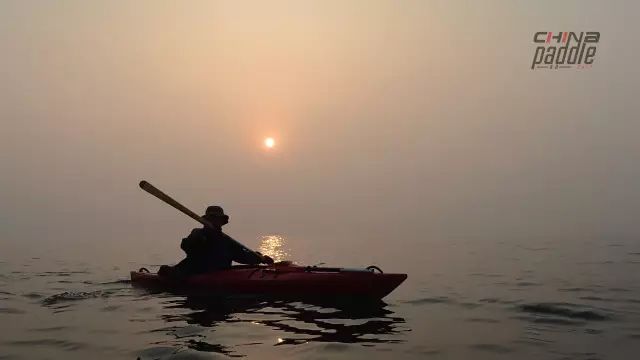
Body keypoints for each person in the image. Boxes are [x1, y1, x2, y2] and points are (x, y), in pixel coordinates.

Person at [159, 206, 273, 278]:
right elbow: (186, 247)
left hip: (219, 274)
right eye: (212, 218)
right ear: (206, 220)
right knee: (170, 272)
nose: (215, 221)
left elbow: (243, 256)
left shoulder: (226, 241)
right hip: (197, 273)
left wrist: (260, 258)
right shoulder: (199, 233)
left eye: (217, 219)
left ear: (222, 222)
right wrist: (197, 237)